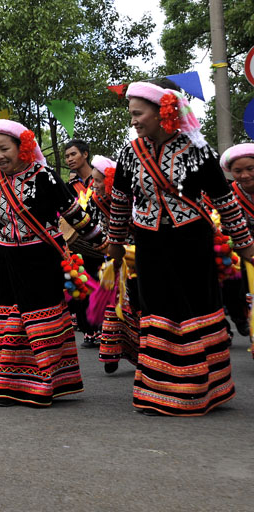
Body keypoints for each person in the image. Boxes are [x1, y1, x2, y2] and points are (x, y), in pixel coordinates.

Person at [108, 80, 254, 416]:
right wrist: (115, 244)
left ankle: (202, 388)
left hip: (192, 241)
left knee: (194, 306)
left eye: (138, 113)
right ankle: (161, 390)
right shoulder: (130, 153)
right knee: (158, 307)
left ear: (164, 112)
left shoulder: (197, 149)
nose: (133, 121)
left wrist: (245, 245)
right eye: (131, 114)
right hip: (149, 242)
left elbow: (225, 201)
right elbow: (119, 202)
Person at [0, 119, 101, 408]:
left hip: (42, 259)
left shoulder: (44, 176)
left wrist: (102, 241)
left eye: (3, 148)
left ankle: (46, 383)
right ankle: (13, 385)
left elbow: (74, 213)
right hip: (8, 260)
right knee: (11, 320)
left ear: (22, 148)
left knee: (41, 319)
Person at [88, 156, 140, 374]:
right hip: (113, 259)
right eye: (93, 180)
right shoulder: (95, 200)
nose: (94, 185)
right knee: (113, 302)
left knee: (135, 303)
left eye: (98, 181)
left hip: (136, 258)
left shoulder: (131, 199)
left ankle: (139, 351)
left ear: (109, 181)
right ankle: (111, 353)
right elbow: (95, 225)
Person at [63, 139, 105, 348]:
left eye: (73, 154)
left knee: (102, 281)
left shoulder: (100, 179)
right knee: (81, 281)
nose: (70, 159)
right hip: (78, 242)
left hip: (102, 237)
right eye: (67, 156)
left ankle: (105, 327)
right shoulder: (69, 187)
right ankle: (89, 329)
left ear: (85, 154)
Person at [221, 143, 254, 358]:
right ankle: (241, 318)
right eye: (238, 171)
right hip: (239, 252)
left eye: (250, 169)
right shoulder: (227, 194)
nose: (245, 175)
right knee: (234, 283)